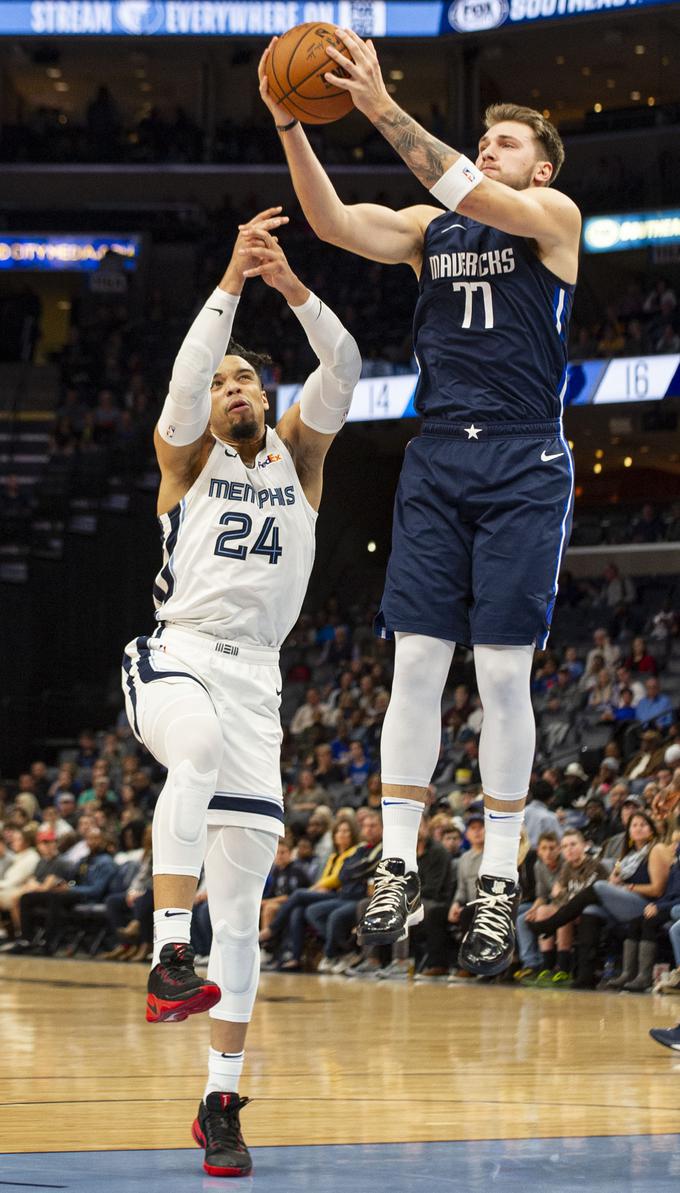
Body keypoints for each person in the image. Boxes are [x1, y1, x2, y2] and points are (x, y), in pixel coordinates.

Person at [259, 32, 580, 974]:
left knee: (504, 676)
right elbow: (331, 223)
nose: (489, 150)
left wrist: (376, 103)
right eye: (484, 139)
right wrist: (290, 119)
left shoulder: (551, 216)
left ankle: (498, 876)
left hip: (525, 459)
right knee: (417, 666)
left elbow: (471, 192)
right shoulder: (429, 230)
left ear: (542, 167)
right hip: (438, 457)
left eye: (506, 142)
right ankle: (396, 861)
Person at [120, 209, 361, 1177]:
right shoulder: (185, 457)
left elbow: (339, 367)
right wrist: (228, 282)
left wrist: (292, 288)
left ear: (266, 396)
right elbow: (184, 384)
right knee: (198, 753)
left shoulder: (301, 455)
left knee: (247, 906)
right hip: (177, 654)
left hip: (258, 678)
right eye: (224, 379)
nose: (232, 388)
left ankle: (220, 1100)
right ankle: (167, 954)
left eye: (246, 378)